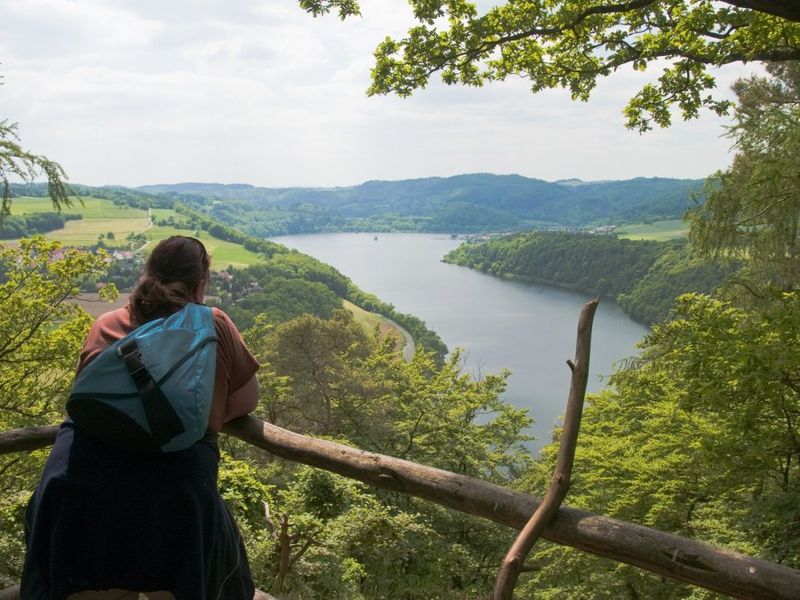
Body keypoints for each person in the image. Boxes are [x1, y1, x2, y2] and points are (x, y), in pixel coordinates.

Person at [21, 236, 260, 600]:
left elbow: (89, 399)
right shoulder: (212, 324)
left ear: (147, 273)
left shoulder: (105, 323)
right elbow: (246, 401)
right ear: (201, 284)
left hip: (80, 489)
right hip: (175, 499)